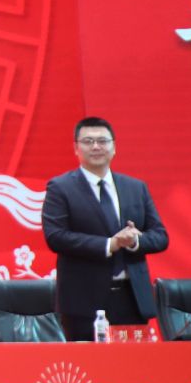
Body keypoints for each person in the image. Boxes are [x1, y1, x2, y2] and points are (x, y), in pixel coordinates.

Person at [41, 117, 169, 342]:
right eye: (88, 141)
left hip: (131, 297)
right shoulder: (61, 187)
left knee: (132, 362)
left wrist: (133, 241)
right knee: (88, 363)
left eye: (102, 141)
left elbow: (160, 236)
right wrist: (111, 244)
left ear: (114, 147)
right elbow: (56, 237)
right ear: (76, 148)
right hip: (83, 300)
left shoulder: (135, 187)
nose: (96, 147)